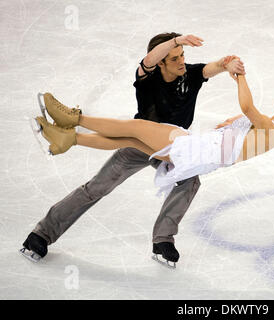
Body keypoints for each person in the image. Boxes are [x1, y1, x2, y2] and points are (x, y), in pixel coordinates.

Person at [21, 32, 245, 267]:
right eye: (174, 58)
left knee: (190, 181)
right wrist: (176, 41)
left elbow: (216, 66)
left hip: (173, 149)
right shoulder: (147, 78)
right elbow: (147, 61)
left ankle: (163, 240)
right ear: (160, 62)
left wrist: (228, 64)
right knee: (97, 187)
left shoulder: (190, 74)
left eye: (182, 56)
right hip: (137, 143)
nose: (181, 62)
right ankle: (42, 234)